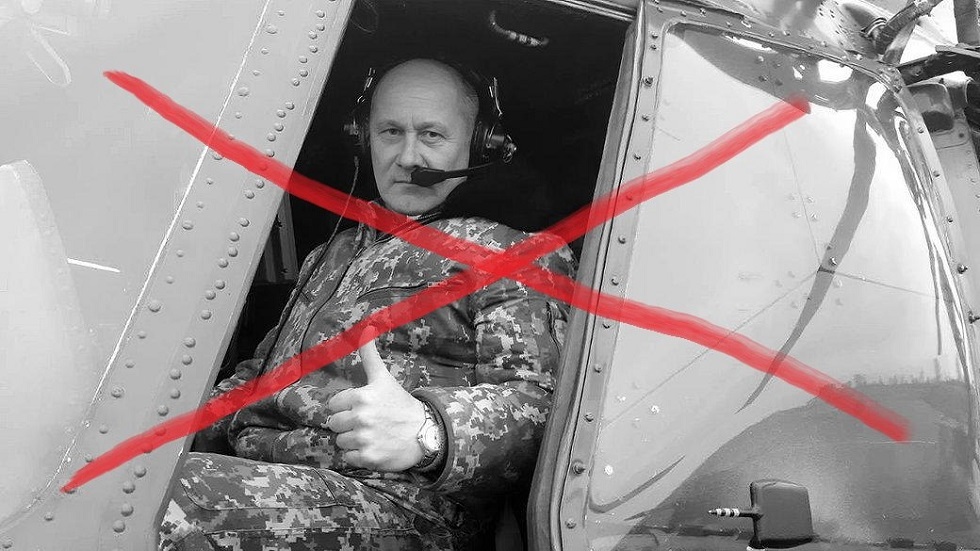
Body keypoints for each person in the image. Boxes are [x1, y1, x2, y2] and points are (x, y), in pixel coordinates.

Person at [158, 58, 577, 550]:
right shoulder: (333, 252)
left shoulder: (514, 252)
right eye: (391, 132)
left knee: (165, 504)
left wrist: (428, 432)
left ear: (480, 145)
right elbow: (260, 373)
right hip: (265, 472)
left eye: (432, 135)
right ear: (364, 140)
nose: (408, 157)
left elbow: (538, 404)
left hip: (401, 503)